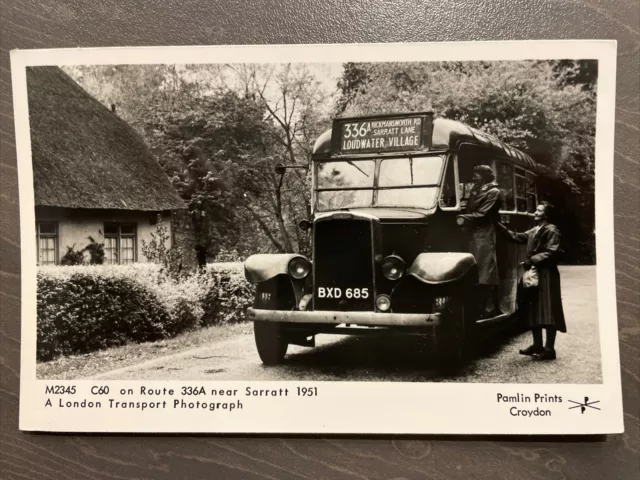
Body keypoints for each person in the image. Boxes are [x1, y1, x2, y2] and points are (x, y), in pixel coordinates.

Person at [496, 201, 566, 360]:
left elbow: (551, 252)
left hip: (546, 274)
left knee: (548, 310)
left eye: (539, 210)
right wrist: (497, 225)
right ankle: (537, 345)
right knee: (534, 307)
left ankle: (549, 349)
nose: (535, 212)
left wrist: (531, 260)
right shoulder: (536, 229)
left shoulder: (551, 230)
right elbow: (516, 236)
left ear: (546, 215)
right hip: (536, 272)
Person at [457, 165, 502, 318]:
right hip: (473, 234)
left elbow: (483, 214)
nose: (474, 177)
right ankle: (477, 308)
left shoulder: (494, 192)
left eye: (476, 175)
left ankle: (488, 308)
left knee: (485, 272)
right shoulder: (477, 190)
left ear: (484, 176)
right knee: (475, 272)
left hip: (484, 234)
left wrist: (463, 218)